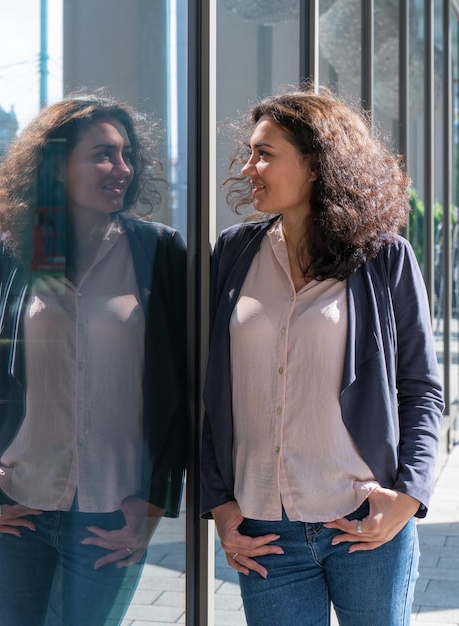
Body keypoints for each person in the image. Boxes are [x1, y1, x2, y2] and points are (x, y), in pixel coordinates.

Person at [201, 87, 444, 626]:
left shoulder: (384, 258)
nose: (248, 167)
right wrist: (220, 504)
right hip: (264, 528)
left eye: (265, 153)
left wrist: (408, 496)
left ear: (315, 163)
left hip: (364, 521)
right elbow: (208, 390)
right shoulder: (235, 253)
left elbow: (422, 389)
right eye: (251, 152)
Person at [0, 93, 186, 626]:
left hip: (112, 508)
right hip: (18, 500)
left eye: (127, 155)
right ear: (57, 167)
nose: (122, 170)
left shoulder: (159, 251)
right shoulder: (16, 251)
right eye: (103, 155)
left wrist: (155, 501)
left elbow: (183, 387)